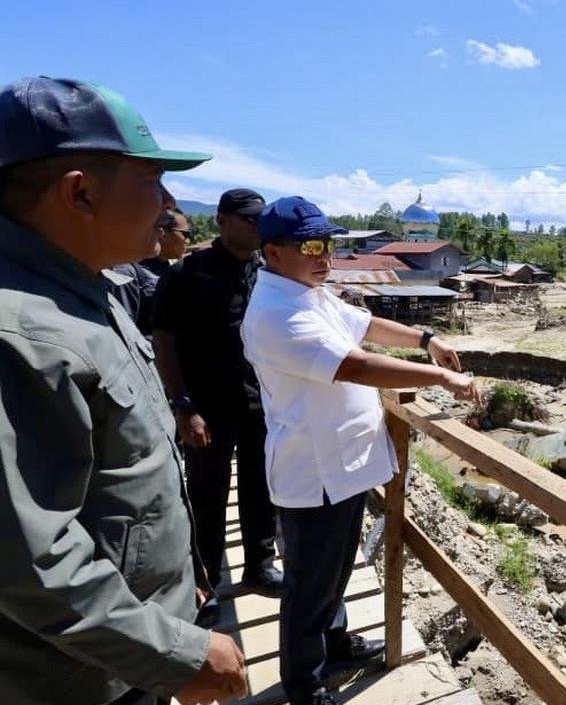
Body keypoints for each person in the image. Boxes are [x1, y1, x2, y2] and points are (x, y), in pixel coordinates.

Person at [0, 76, 246, 705]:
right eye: (151, 182)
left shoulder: (92, 291)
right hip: (80, 677)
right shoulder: (21, 333)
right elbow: (29, 563)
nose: (168, 205)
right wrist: (177, 652)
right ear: (78, 193)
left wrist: (177, 576)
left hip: (124, 646)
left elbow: (125, 472)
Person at [241, 196, 478, 705]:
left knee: (337, 572)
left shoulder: (310, 293)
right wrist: (440, 376)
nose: (322, 254)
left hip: (343, 465)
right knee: (309, 588)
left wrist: (427, 337)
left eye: (327, 243)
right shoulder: (276, 314)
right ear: (273, 253)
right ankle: (305, 686)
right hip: (315, 470)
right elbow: (356, 365)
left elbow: (365, 325)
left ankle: (336, 645)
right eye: (309, 244)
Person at [154, 188, 282, 625]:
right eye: (247, 219)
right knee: (206, 497)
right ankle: (204, 583)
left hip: (262, 404)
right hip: (208, 406)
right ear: (223, 220)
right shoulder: (188, 274)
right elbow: (164, 341)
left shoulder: (269, 271)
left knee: (261, 488)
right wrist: (183, 405)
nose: (256, 226)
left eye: (260, 219)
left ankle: (260, 566)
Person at [109, 205, 187, 335]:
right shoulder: (126, 272)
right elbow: (126, 335)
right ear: (163, 232)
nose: (187, 240)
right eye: (185, 234)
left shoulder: (174, 270)